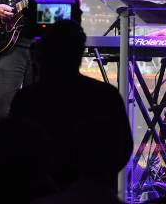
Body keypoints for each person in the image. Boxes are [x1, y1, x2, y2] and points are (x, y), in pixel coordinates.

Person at [11, 20, 133, 197]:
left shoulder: (26, 100)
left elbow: (16, 153)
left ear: (39, 56)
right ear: (78, 54)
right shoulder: (105, 96)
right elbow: (122, 150)